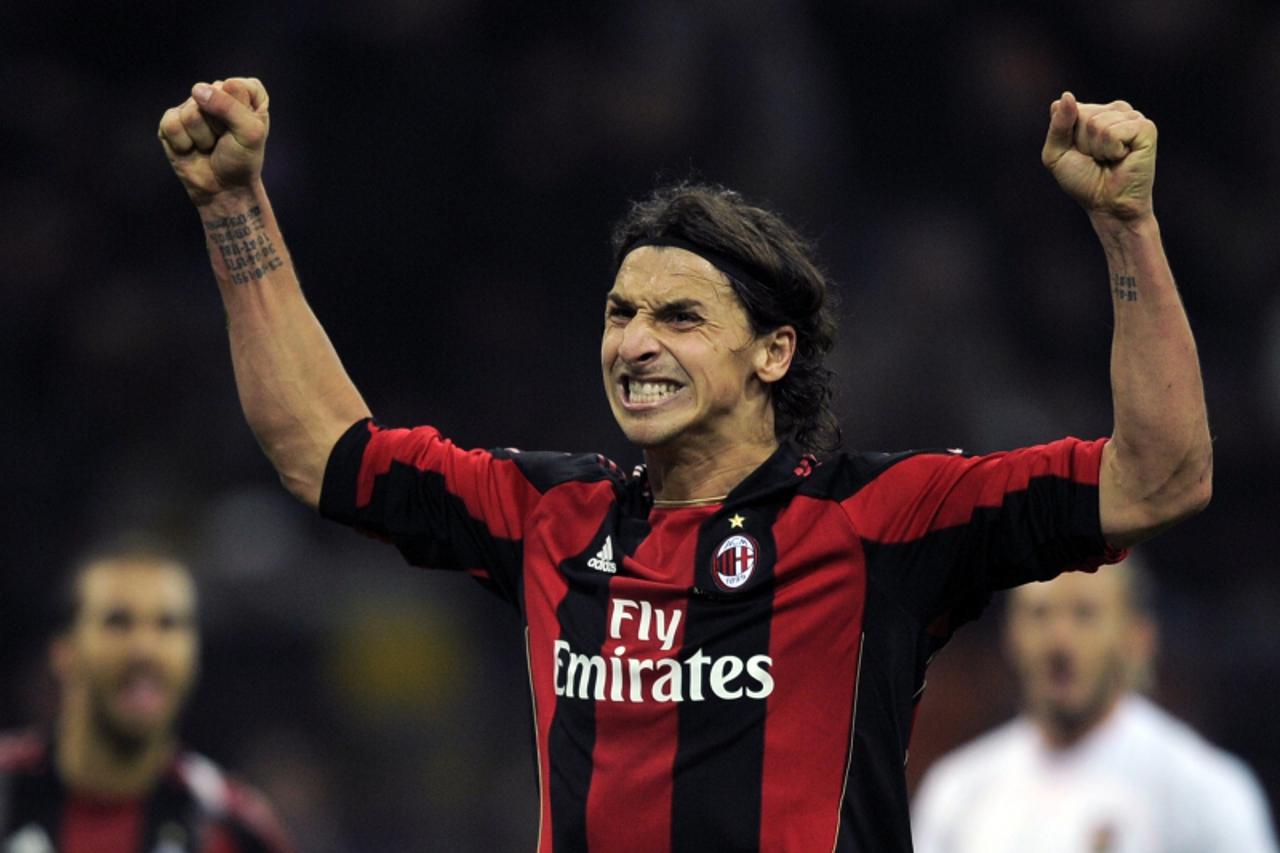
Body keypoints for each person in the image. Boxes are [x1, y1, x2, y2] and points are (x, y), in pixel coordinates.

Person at [157, 76, 1212, 852]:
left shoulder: (881, 520)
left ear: (771, 351)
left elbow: (1159, 477)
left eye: (677, 316)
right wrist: (232, 207)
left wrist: (1126, 226)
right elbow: (320, 451)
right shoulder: (548, 515)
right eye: (618, 314)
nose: (633, 342)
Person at [911, 557, 1277, 853]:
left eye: (1084, 614)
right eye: (1040, 615)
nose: (1059, 641)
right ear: (1011, 635)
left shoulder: (1203, 791)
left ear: (1136, 637)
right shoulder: (958, 791)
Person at [0, 547, 292, 853]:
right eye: (118, 622)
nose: (145, 651)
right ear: (64, 652)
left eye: (168, 624)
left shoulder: (232, 827)